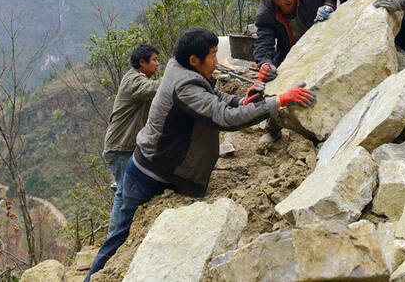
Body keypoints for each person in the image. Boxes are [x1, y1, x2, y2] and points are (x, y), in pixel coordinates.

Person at [84, 28, 316, 281]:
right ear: (194, 60)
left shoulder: (183, 69)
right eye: (213, 55)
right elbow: (224, 118)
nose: (217, 61)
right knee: (120, 237)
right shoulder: (185, 84)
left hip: (159, 168)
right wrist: (279, 101)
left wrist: (241, 101)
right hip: (150, 173)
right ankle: (93, 277)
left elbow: (214, 95)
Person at [253, 0, 395, 143]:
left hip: (320, 45)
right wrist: (264, 63)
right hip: (290, 56)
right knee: (279, 86)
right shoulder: (265, 13)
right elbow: (263, 43)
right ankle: (273, 126)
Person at [102, 44, 160, 235]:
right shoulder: (134, 79)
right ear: (142, 63)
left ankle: (121, 234)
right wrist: (175, 78)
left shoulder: (137, 77)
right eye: (154, 60)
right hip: (121, 147)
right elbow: (151, 89)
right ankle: (114, 238)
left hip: (124, 146)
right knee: (123, 192)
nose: (157, 64)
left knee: (126, 190)